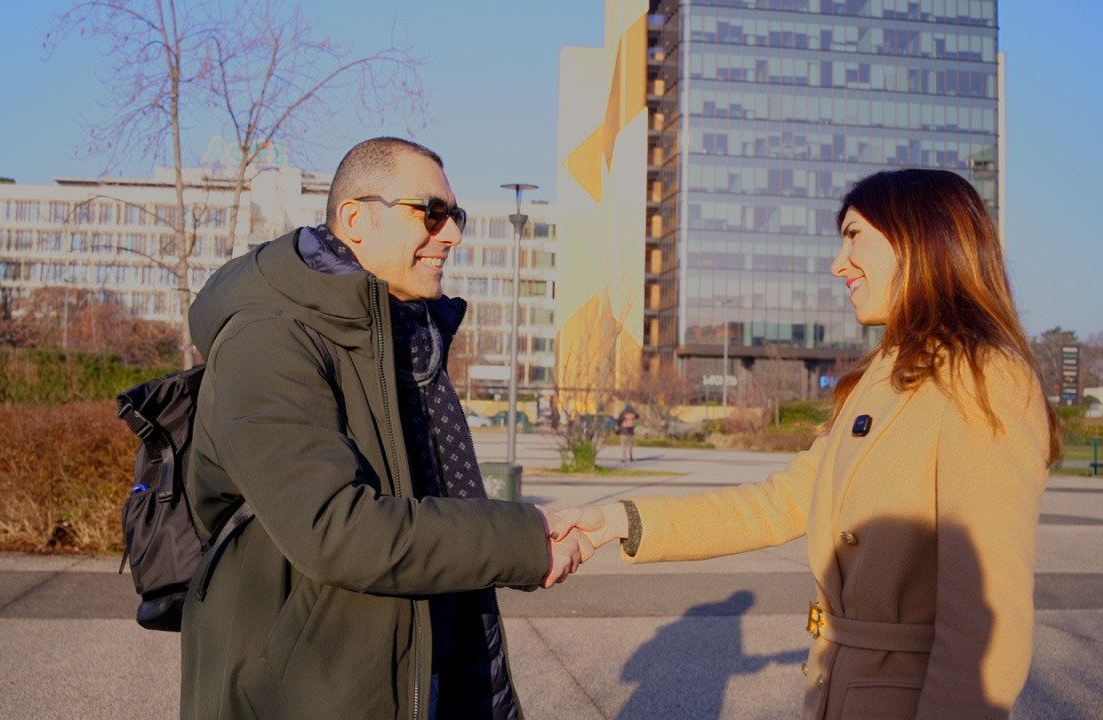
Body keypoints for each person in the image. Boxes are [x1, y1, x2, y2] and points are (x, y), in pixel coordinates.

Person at [552, 168, 1060, 719]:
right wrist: (618, 521)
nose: (837, 264)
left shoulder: (986, 377)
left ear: (918, 237)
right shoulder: (882, 376)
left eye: (853, 235)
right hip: (840, 691)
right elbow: (780, 503)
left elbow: (986, 620)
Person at [180, 137, 592, 720]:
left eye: (456, 216)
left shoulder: (401, 338)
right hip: (306, 694)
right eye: (432, 213)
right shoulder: (267, 339)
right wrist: (524, 540)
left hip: (418, 665)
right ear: (355, 220)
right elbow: (335, 528)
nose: (452, 234)